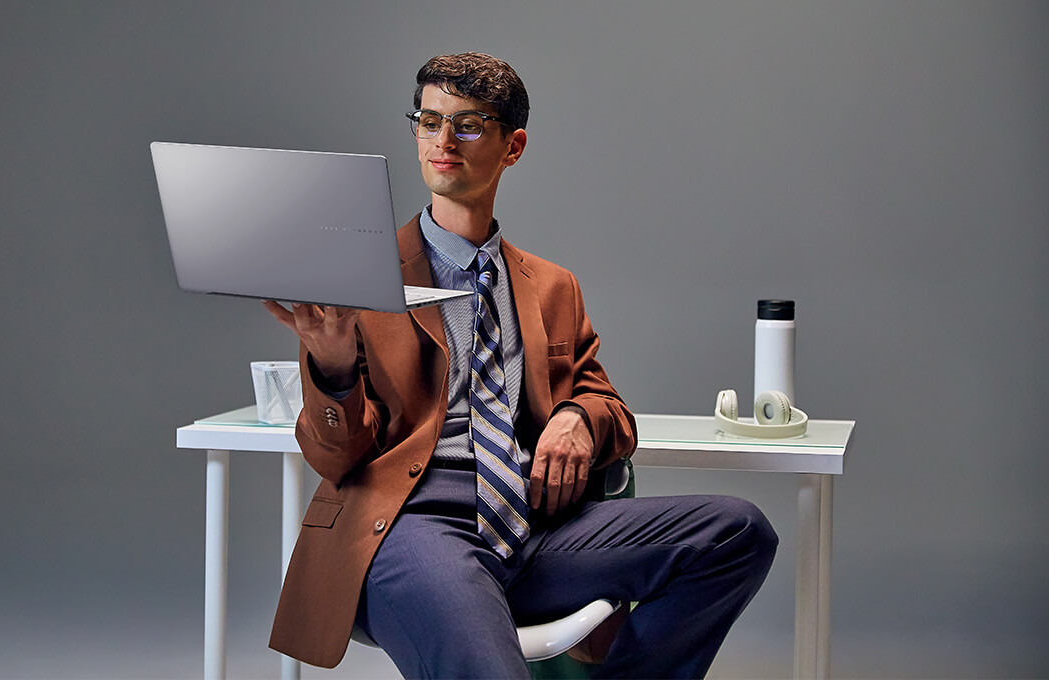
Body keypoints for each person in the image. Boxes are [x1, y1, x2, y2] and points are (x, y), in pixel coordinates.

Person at [264, 52, 777, 678]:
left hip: (534, 533)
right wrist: (334, 366)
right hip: (412, 524)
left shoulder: (552, 286)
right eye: (429, 122)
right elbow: (334, 459)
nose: (443, 141)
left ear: (514, 146)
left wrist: (577, 419)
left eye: (468, 125)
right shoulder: (356, 278)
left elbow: (611, 409)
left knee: (737, 532)